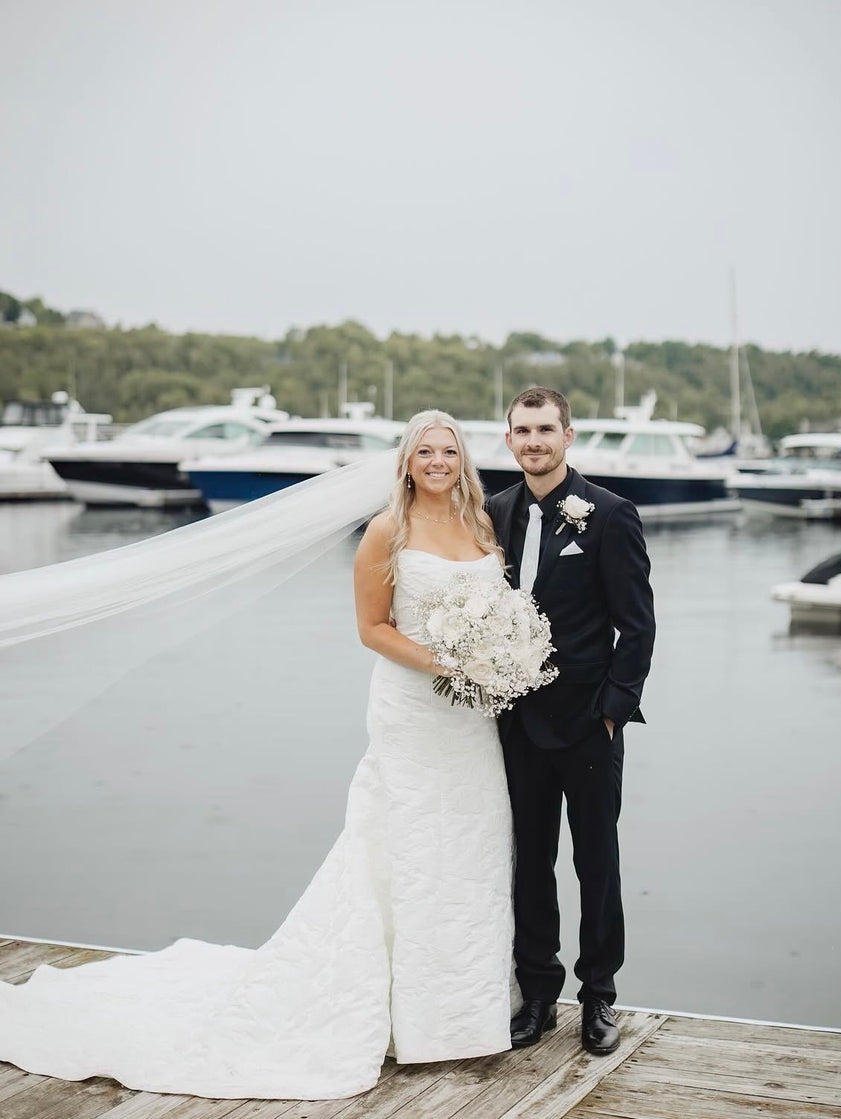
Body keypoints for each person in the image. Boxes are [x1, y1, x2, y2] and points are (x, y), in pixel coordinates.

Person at [0, 410, 514, 1100]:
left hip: (471, 723)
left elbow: (499, 613)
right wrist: (448, 663)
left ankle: (463, 1011)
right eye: (425, 449)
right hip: (414, 711)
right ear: (406, 459)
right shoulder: (387, 530)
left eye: (448, 449)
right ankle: (408, 1015)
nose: (437, 460)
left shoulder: (481, 527)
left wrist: (498, 660)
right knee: (409, 848)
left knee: (473, 845)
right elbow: (371, 628)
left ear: (463, 458)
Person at [487, 387, 655, 1057]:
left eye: (545, 428)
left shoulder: (610, 515)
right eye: (523, 430)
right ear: (508, 440)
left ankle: (599, 997)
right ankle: (537, 995)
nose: (534, 440)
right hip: (515, 725)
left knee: (597, 864)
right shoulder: (492, 511)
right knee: (530, 862)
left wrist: (613, 713)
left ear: (568, 435)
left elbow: (637, 627)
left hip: (588, 725)